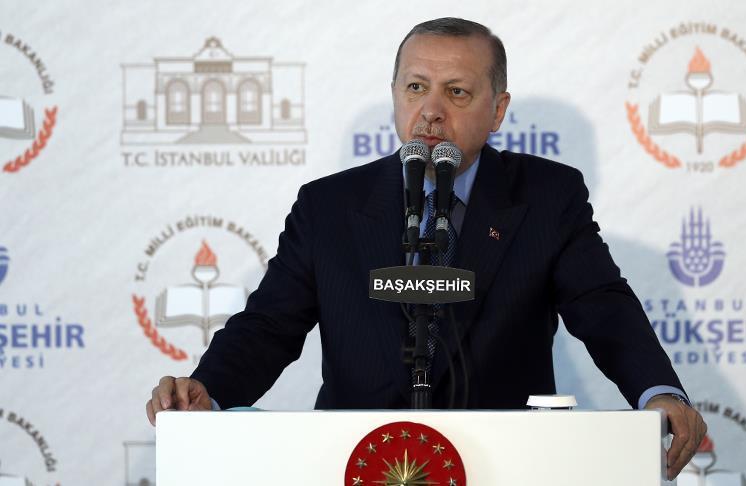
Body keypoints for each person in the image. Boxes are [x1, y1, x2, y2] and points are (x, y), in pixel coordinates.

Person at [145, 17, 707, 478]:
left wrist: (657, 392)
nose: (432, 110)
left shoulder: (546, 197)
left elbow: (602, 305)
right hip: (355, 462)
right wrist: (207, 390)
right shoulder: (328, 206)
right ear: (395, 95)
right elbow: (269, 325)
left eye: (457, 92)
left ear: (498, 109)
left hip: (507, 463)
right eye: (416, 87)